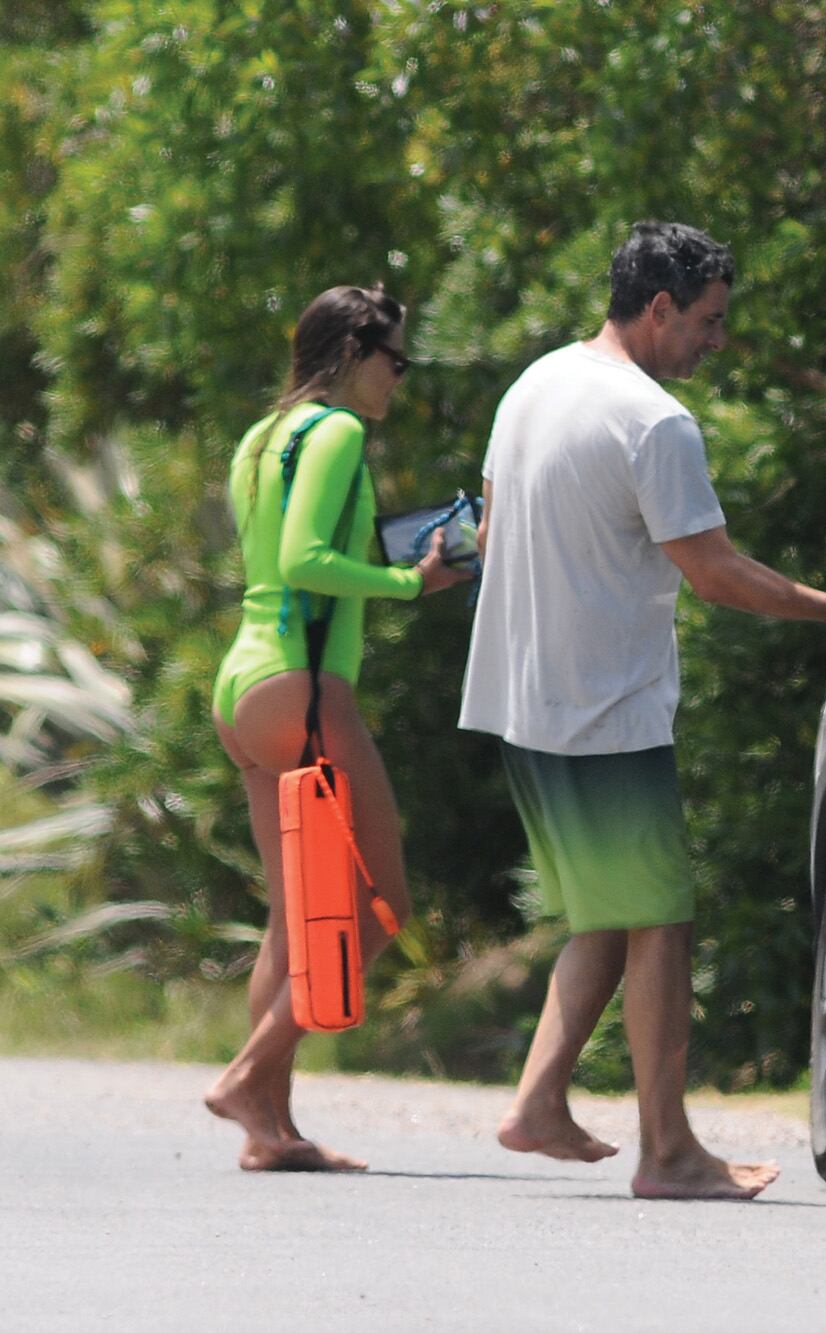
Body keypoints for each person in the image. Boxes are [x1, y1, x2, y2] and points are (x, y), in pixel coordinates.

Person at [460, 221, 826, 1200]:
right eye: (707, 321)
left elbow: (492, 533)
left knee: (610, 912)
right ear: (659, 307)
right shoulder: (652, 420)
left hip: (519, 702)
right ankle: (666, 1151)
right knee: (659, 918)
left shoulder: (533, 385)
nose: (716, 340)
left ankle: (538, 1099)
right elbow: (714, 574)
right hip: (601, 712)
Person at [205, 285, 473, 1170]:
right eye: (394, 360)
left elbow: (273, 560)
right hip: (306, 684)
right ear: (354, 352)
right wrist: (411, 583)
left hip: (243, 682)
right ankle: (249, 1077)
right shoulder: (340, 433)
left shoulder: (264, 435)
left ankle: (269, 1131)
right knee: (380, 901)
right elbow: (306, 561)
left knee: (293, 921)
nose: (399, 377)